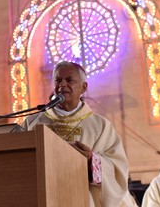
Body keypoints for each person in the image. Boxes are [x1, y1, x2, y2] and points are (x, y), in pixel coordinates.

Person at [22, 61, 138, 206]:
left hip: (84, 198)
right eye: (58, 80)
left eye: (69, 80)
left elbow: (117, 168)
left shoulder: (100, 126)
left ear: (83, 87)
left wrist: (92, 160)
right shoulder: (32, 123)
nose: (62, 84)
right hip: (43, 197)